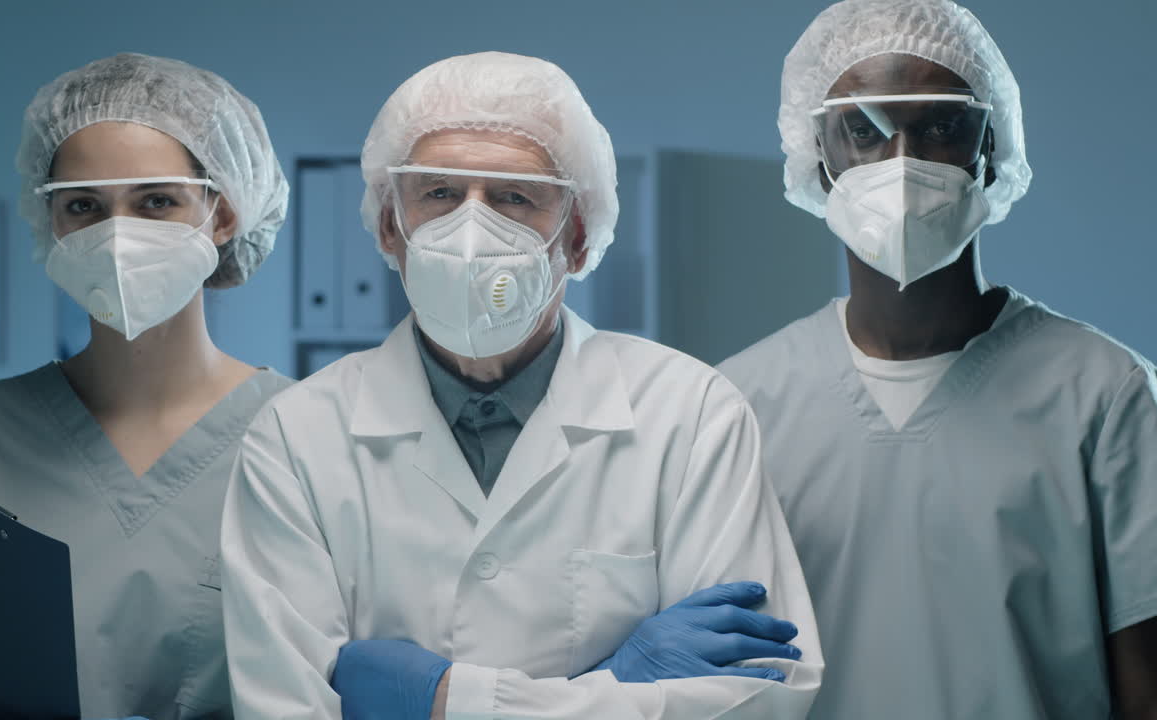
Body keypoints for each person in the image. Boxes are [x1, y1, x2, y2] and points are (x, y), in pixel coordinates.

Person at [220, 51, 822, 719]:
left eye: (515, 198)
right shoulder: (296, 437)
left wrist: (446, 701)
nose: (472, 233)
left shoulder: (691, 414)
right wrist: (615, 687)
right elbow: (283, 707)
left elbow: (763, 695)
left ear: (578, 236)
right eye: (439, 194)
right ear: (391, 226)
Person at [716, 1, 1157, 717]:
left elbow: (1156, 696)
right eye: (863, 130)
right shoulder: (738, 404)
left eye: (940, 127)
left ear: (990, 145)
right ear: (818, 154)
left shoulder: (1107, 397)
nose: (902, 163)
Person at [0, 53, 292, 720]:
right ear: (50, 222)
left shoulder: (305, 438)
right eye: (84, 206)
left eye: (156, 201)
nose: (117, 235)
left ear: (223, 214)